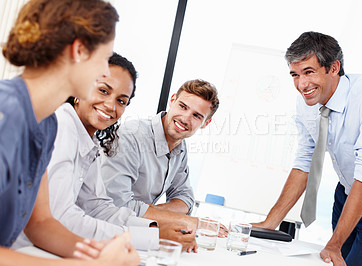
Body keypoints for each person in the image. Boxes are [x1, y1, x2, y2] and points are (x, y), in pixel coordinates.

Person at [0, 0, 139, 265]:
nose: (104, 70)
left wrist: (99, 253)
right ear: (79, 50)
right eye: (103, 58)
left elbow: (41, 223)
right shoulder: (6, 114)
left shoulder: (45, 123)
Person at [14, 52, 197, 252]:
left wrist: (154, 228)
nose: (111, 105)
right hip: (24, 250)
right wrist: (152, 237)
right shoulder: (62, 125)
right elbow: (62, 217)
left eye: (121, 101)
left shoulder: (87, 138)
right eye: (103, 91)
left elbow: (97, 207)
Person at [252, 31, 362, 266]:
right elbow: (305, 162)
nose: (302, 85)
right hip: (346, 196)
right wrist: (270, 222)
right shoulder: (307, 103)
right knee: (332, 263)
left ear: (333, 68)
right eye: (295, 75)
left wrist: (334, 243)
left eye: (309, 72)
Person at [101, 79, 220, 224]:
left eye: (196, 116)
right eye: (182, 107)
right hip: (101, 231)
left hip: (135, 232)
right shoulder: (131, 136)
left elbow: (185, 199)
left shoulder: (180, 147)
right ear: (172, 100)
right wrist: (185, 220)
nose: (184, 119)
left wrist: (155, 213)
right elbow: (116, 205)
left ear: (205, 123)